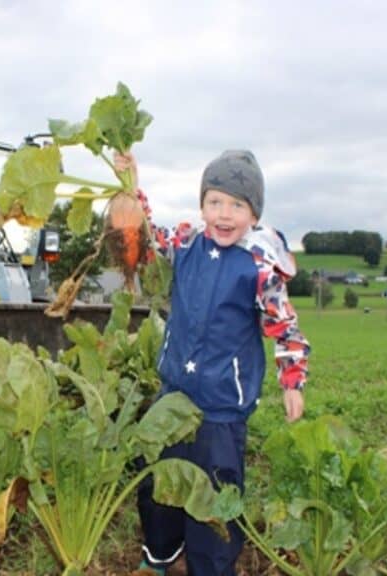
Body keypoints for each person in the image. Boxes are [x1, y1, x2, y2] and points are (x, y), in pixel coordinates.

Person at [116, 150, 310, 576]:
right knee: (160, 485)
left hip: (222, 408)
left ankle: (211, 567)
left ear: (254, 213)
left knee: (216, 497)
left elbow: (284, 324)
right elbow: (147, 232)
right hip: (174, 396)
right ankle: (159, 554)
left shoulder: (259, 265)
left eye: (237, 205)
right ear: (202, 205)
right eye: (215, 202)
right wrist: (131, 185)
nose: (224, 215)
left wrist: (292, 380)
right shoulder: (185, 245)